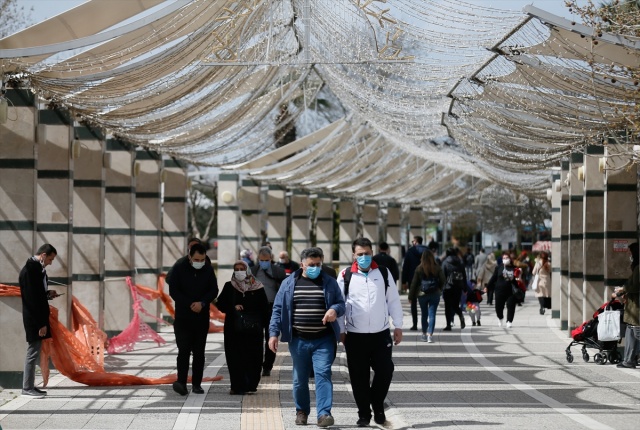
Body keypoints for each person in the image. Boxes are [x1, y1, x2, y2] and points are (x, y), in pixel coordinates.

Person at [268, 247, 345, 427]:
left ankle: (324, 414)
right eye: (311, 265)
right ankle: (301, 411)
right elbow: (277, 310)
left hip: (323, 338)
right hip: (299, 339)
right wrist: (273, 334)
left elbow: (341, 303)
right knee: (299, 378)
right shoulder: (288, 283)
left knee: (323, 373)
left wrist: (335, 310)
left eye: (319, 264)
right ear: (302, 264)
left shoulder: (329, 282)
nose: (315, 268)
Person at [338, 237, 404, 427]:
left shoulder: (383, 273)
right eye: (360, 254)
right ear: (353, 255)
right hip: (355, 335)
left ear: (372, 253)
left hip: (380, 333)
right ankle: (364, 414)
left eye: (367, 253)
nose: (364, 257)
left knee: (386, 370)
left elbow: (393, 300)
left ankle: (377, 404)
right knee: (359, 377)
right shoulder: (345, 276)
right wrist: (341, 330)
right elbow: (340, 304)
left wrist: (397, 325)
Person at [167, 242, 218, 396]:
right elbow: (173, 290)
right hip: (183, 316)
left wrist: (202, 303)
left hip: (201, 317)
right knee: (183, 350)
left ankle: (197, 384)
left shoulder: (208, 269)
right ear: (190, 256)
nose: (199, 263)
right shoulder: (179, 267)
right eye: (196, 260)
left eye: (202, 260)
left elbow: (213, 290)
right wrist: (189, 304)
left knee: (199, 352)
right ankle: (181, 382)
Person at [216, 261, 269, 394]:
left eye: (242, 269)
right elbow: (220, 304)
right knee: (234, 357)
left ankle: (251, 384)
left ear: (248, 270)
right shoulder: (229, 286)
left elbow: (264, 308)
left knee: (253, 357)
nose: (239, 271)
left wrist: (265, 326)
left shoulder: (257, 287)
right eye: (237, 269)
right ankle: (237, 386)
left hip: (253, 329)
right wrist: (232, 308)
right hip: (233, 329)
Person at [19, 244, 61, 398]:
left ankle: (29, 386)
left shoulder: (37, 270)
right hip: (34, 319)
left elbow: (38, 294)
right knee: (32, 351)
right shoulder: (31, 270)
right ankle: (27, 387)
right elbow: (32, 300)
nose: (51, 262)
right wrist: (41, 324)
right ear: (43, 255)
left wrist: (48, 293)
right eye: (50, 259)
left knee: (34, 351)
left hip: (36, 317)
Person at [251, 246, 287, 377]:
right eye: (261, 260)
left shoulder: (279, 272)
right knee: (256, 338)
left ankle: (267, 366)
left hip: (273, 308)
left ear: (270, 259)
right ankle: (256, 363)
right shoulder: (253, 271)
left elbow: (284, 291)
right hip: (257, 309)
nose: (264, 262)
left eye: (266, 260)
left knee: (271, 337)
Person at [408, 249, 445, 343]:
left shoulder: (419, 268)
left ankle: (424, 334)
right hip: (435, 294)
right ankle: (430, 335)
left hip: (422, 294)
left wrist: (411, 296)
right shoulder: (437, 268)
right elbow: (443, 280)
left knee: (424, 314)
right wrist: (439, 289)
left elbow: (414, 283)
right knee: (432, 314)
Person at [614, 242, 639, 369]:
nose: (629, 255)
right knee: (631, 331)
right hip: (633, 306)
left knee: (636, 332)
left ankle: (630, 359)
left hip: (637, 308)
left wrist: (623, 290)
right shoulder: (636, 267)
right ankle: (629, 360)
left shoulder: (639, 268)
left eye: (630, 253)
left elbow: (636, 286)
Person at [486, 252, 520, 328]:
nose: (505, 260)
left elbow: (517, 280)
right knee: (498, 307)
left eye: (506, 258)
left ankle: (509, 321)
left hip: (510, 290)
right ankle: (500, 317)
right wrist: (487, 287)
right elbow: (493, 278)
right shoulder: (499, 267)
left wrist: (517, 281)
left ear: (510, 259)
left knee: (511, 306)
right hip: (499, 290)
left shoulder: (514, 268)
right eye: (503, 258)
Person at [402, 236, 428, 330]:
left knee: (413, 303)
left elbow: (406, 267)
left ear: (416, 241)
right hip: (425, 279)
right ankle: (425, 323)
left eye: (413, 241)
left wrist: (404, 281)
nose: (412, 242)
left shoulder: (410, 252)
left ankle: (415, 324)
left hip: (412, 279)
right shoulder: (427, 251)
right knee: (424, 302)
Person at [441, 248, 466, 330]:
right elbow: (464, 276)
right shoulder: (460, 262)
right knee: (455, 305)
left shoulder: (445, 262)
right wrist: (465, 287)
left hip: (448, 287)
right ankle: (461, 315)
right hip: (458, 286)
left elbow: (442, 275)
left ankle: (448, 325)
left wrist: (441, 287)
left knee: (447, 306)